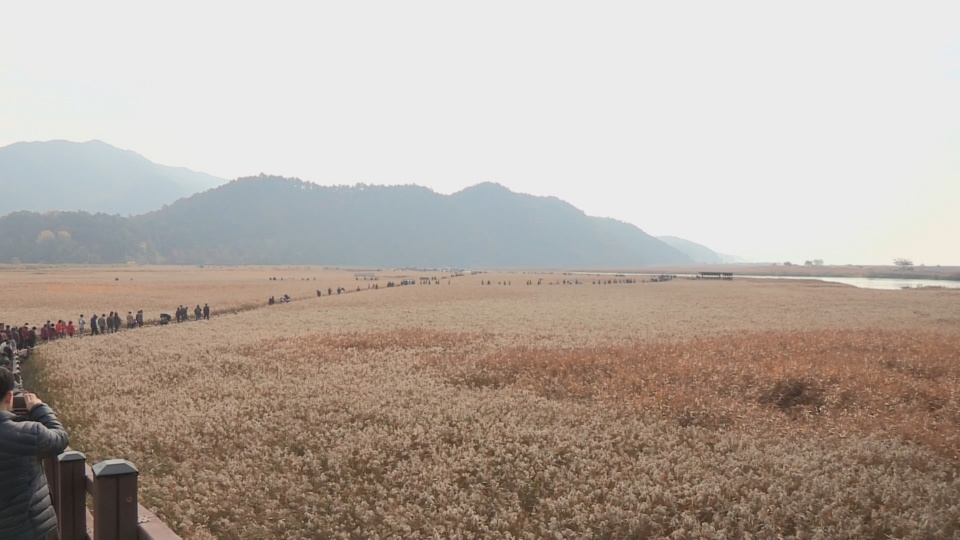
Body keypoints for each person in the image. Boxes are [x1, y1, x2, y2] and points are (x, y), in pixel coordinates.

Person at [0, 367, 69, 539]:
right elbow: (60, 438)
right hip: (28, 532)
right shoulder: (28, 433)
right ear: (10, 397)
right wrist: (38, 408)